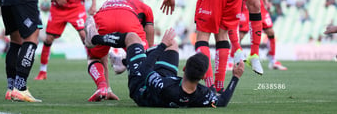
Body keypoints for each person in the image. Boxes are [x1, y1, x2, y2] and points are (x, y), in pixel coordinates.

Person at [84, 20, 245, 108]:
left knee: (133, 38)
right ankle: (124, 61)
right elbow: (222, 102)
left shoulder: (165, 86)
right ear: (203, 77)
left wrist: (161, 45)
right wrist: (236, 77)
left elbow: (144, 69)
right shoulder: (202, 94)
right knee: (172, 44)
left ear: (184, 68)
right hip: (166, 79)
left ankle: (94, 39)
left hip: (141, 87)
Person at [85, 0, 155, 101]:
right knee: (143, 57)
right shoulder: (142, 5)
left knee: (95, 58)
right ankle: (124, 60)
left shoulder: (109, 2)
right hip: (129, 22)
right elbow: (149, 29)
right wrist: (150, 51)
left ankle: (103, 88)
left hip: (102, 20)